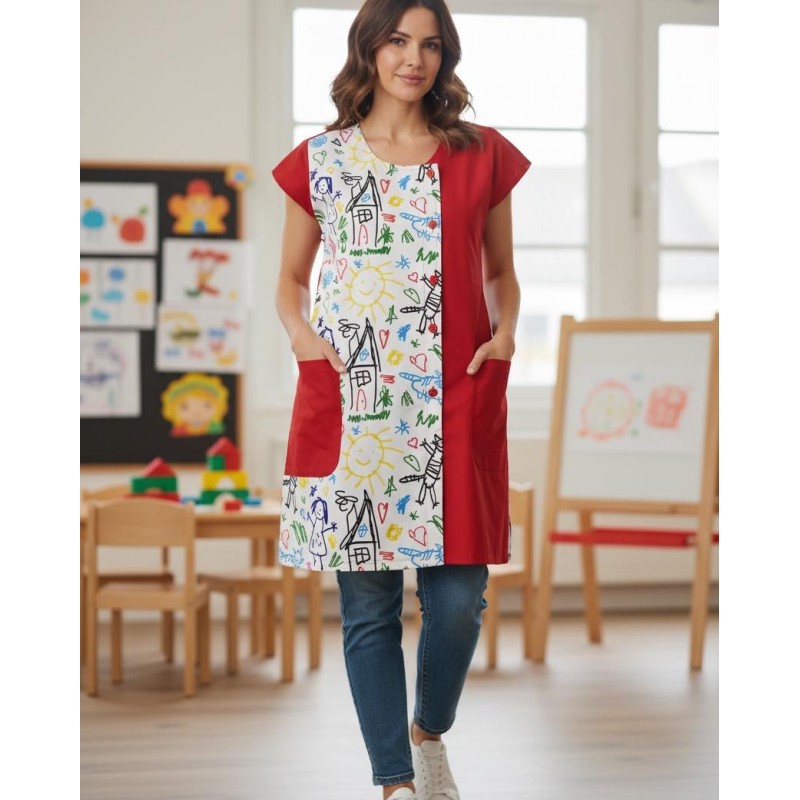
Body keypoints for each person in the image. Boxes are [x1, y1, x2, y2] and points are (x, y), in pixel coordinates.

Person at [272, 1, 530, 797]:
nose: (414, 59)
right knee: (369, 610)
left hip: (455, 400)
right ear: (370, 49)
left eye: (431, 45)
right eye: (397, 41)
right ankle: (395, 782)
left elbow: (500, 272)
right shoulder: (320, 160)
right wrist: (303, 338)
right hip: (355, 406)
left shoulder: (480, 155)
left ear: (445, 57)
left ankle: (428, 732)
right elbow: (289, 281)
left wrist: (506, 333)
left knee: (457, 603)